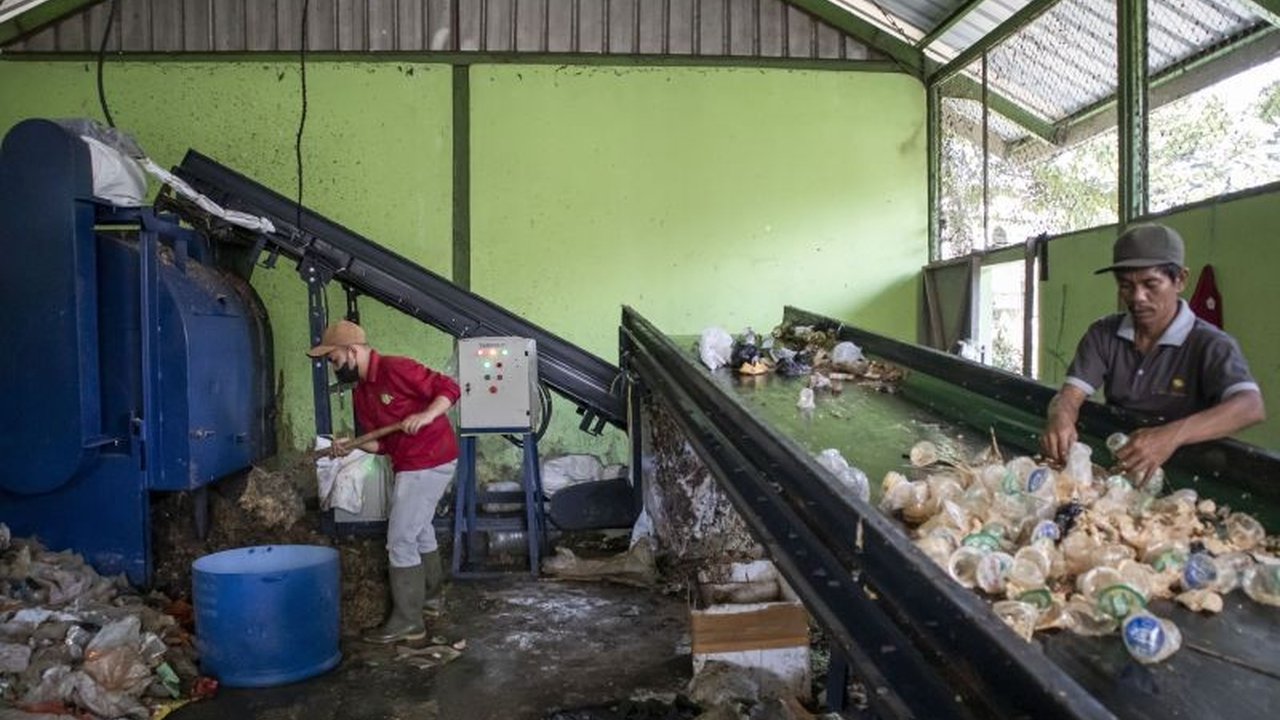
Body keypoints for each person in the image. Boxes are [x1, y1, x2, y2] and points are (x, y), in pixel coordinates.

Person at [1041, 224, 1265, 483]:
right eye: (1126, 286)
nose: (1137, 297)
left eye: (1151, 284)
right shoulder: (1104, 334)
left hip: (1186, 475)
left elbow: (1251, 407)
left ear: (1180, 279)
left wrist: (1170, 436)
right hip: (1122, 464)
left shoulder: (1210, 343)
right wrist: (1061, 417)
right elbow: (1069, 395)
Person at [307, 319, 461, 644]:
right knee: (419, 530)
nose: (333, 367)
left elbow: (449, 388)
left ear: (351, 351)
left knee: (400, 539)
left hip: (429, 458)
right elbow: (381, 445)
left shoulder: (395, 368)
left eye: (333, 359)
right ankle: (431, 600)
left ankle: (408, 621)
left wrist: (427, 415)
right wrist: (350, 443)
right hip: (407, 461)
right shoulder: (362, 394)